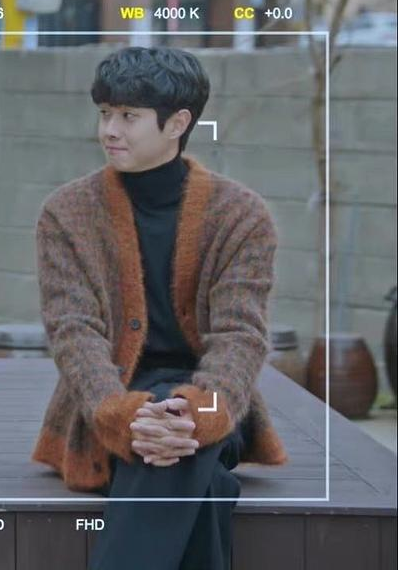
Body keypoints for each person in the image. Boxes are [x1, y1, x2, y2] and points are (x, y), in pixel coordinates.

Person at [30, 46, 289, 570]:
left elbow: (240, 335)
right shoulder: (66, 213)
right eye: (105, 113)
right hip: (108, 401)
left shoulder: (241, 215)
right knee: (206, 483)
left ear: (178, 123)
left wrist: (195, 412)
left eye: (129, 116)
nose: (109, 130)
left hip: (213, 403)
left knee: (176, 434)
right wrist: (122, 413)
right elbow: (73, 331)